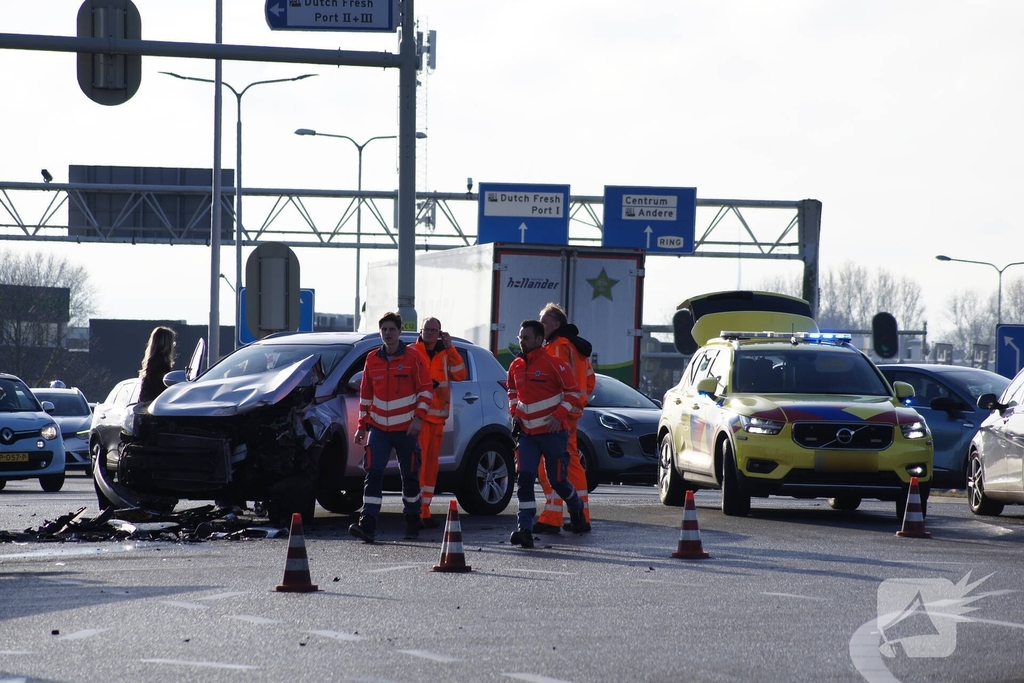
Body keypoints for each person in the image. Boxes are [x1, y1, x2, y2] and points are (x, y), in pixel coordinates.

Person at [349, 312, 433, 543]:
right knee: (373, 472)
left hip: (406, 429)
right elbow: (365, 396)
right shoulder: (372, 359)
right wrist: (361, 427)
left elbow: (426, 391)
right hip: (378, 430)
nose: (388, 333)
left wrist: (418, 418)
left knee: (410, 476)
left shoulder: (414, 358)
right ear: (380, 332)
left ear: (399, 332)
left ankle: (413, 520)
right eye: (384, 329)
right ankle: (367, 524)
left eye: (392, 329)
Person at [506, 319, 587, 549]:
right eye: (520, 338)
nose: (522, 342)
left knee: (558, 481)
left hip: (553, 434)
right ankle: (525, 529)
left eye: (526, 338)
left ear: (539, 340)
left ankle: (576, 508)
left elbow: (573, 394)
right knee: (524, 478)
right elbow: (511, 390)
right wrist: (514, 412)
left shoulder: (554, 364)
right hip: (528, 435)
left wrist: (558, 415)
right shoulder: (515, 366)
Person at [534, 303, 596, 534]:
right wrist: (578, 404)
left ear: (556, 324)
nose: (541, 326)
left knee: (549, 466)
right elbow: (590, 381)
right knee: (571, 466)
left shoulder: (558, 347)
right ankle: (581, 514)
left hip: (556, 416)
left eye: (544, 321)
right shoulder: (576, 348)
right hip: (569, 414)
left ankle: (553, 516)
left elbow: (554, 382)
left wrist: (558, 408)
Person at [411, 317, 467, 527]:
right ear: (421, 330)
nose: (430, 333)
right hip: (420, 418)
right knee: (419, 465)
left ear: (440, 333)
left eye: (435, 330)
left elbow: (461, 374)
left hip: (437, 418)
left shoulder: (445, 354)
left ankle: (424, 510)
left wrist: (451, 348)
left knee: (431, 467)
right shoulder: (412, 351)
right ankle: (416, 510)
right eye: (427, 329)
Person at [138, 326, 176, 403]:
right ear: (167, 344)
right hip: (153, 407)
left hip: (147, 404)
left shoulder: (152, 361)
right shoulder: (160, 364)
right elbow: (161, 390)